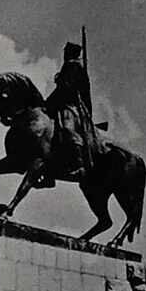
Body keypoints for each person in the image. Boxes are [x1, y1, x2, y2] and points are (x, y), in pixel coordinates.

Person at [39, 41, 98, 187]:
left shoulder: (74, 66)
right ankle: (48, 171)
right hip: (61, 105)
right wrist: (47, 103)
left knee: (67, 128)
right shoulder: (68, 66)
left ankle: (79, 165)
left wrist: (50, 101)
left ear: (71, 53)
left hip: (72, 106)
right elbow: (60, 90)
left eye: (66, 52)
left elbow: (66, 89)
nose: (64, 54)